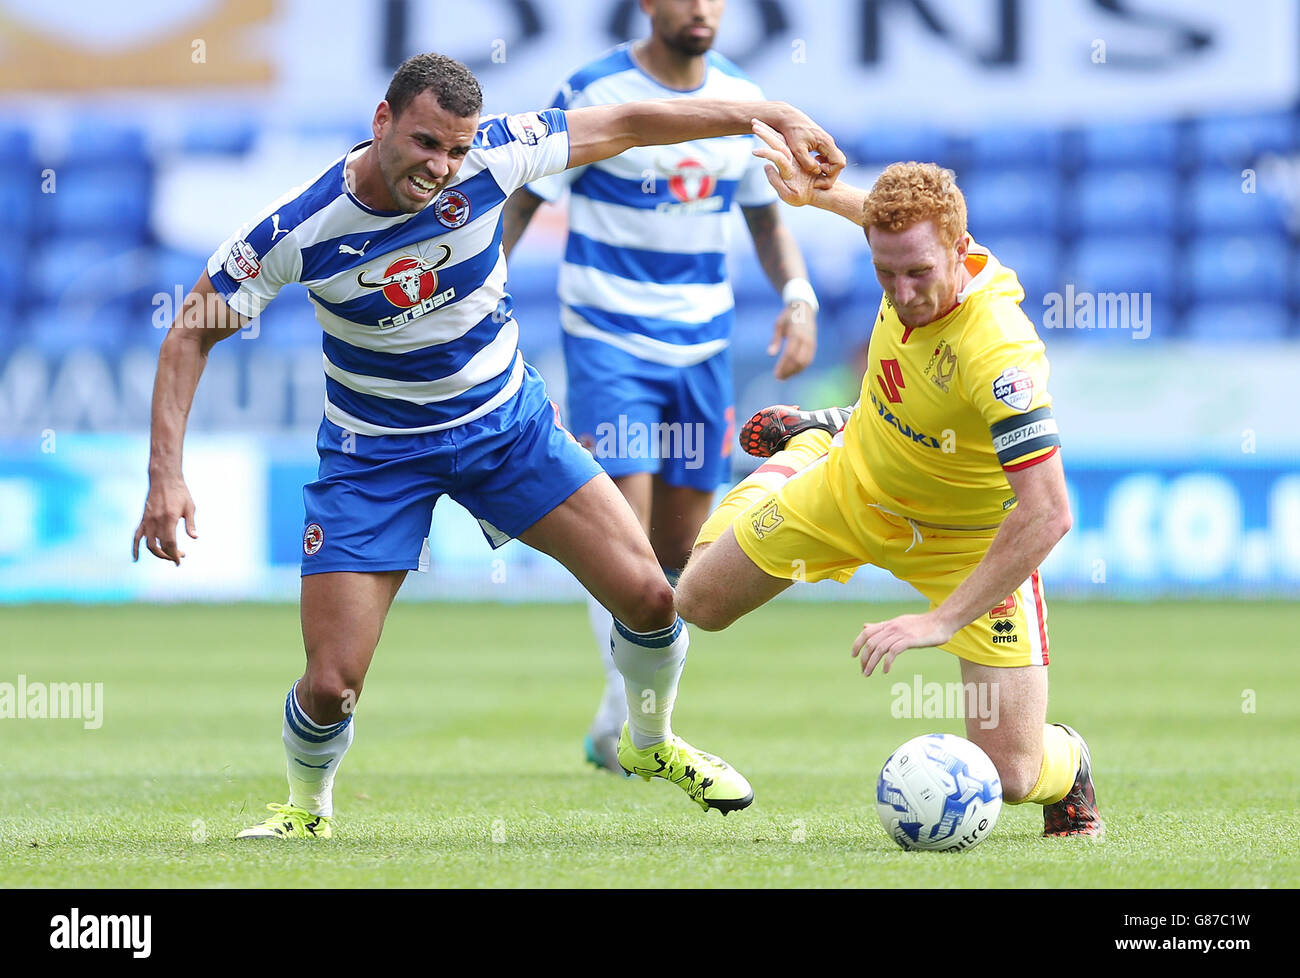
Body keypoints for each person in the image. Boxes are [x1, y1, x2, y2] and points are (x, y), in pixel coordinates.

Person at [131, 54, 844, 838]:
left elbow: (632, 121)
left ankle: (649, 742)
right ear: (382, 121)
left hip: (508, 428)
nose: (441, 168)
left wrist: (761, 113)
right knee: (333, 684)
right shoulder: (297, 229)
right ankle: (308, 809)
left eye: (456, 150)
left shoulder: (503, 152)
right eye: (426, 143)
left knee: (650, 598)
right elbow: (189, 333)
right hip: (377, 458)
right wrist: (166, 476)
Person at [674, 124, 1102, 837]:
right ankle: (812, 445)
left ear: (960, 254)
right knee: (698, 602)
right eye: (886, 275)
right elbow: (877, 218)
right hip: (856, 485)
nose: (903, 293)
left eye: (919, 275)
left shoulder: (999, 352)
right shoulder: (906, 248)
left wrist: (940, 621)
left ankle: (1074, 761)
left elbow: (1049, 514)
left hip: (967, 541)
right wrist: (818, 196)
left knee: (1014, 777)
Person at [501, 0, 820, 773]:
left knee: (680, 549)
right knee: (624, 531)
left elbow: (764, 217)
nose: (702, 8)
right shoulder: (594, 91)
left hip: (703, 345)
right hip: (609, 338)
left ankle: (625, 714)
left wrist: (798, 293)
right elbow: (523, 195)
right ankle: (628, 719)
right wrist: (485, 289)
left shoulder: (746, 100)